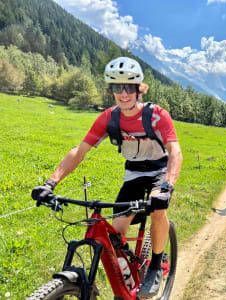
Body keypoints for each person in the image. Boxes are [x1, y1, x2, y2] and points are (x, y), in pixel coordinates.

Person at [31, 57, 183, 298]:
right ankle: (126, 282)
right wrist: (50, 183)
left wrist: (167, 187)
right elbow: (79, 152)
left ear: (139, 89)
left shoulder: (156, 116)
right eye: (116, 87)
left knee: (157, 210)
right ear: (111, 91)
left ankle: (155, 264)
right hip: (134, 174)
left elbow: (175, 151)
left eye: (129, 87)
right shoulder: (109, 118)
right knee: (116, 236)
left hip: (158, 172)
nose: (123, 93)